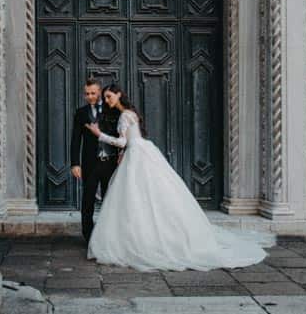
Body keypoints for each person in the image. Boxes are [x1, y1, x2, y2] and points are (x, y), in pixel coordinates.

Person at [84, 84, 268, 271]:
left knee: (137, 195)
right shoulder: (131, 112)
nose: (107, 100)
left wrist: (99, 134)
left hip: (136, 155)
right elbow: (130, 140)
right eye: (105, 98)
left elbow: (123, 141)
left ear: (118, 94)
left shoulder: (124, 115)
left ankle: (142, 240)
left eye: (109, 96)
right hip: (142, 151)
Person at [70, 77, 120, 244]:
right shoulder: (81, 113)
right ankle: (89, 237)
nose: (90, 96)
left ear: (100, 92)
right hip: (90, 163)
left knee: (109, 199)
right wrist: (75, 163)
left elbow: (119, 134)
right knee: (88, 200)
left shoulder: (111, 109)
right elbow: (76, 139)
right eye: (87, 94)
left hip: (110, 162)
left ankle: (108, 235)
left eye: (93, 93)